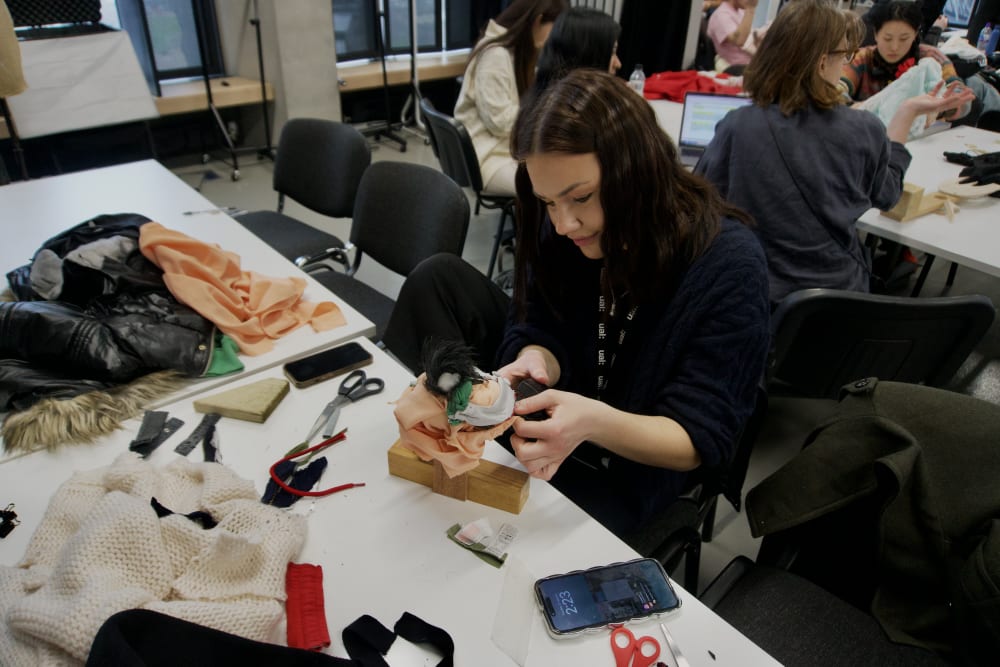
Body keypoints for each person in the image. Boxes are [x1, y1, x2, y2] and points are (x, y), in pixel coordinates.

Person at [384, 69, 770, 538]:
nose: (564, 223)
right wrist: (534, 361)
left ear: (638, 170)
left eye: (581, 197)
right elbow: (539, 320)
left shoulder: (728, 265)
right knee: (437, 279)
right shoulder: (568, 228)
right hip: (557, 420)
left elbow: (696, 437)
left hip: (628, 465)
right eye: (547, 202)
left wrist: (591, 423)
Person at [696, 0, 974, 305]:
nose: (847, 63)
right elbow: (888, 195)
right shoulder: (863, 129)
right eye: (845, 55)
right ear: (821, 62)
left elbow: (704, 201)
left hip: (749, 295)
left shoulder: (737, 126)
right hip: (832, 302)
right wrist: (905, 115)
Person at [453, 0, 568, 197]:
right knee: (553, 186)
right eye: (555, 28)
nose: (554, 37)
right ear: (538, 20)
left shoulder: (511, 51)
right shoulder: (495, 55)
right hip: (488, 159)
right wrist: (542, 112)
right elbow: (500, 123)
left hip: (499, 149)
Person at [842, 0, 968, 110]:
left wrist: (942, 108)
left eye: (904, 39)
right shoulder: (862, 59)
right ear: (875, 34)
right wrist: (864, 107)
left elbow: (962, 99)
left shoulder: (932, 59)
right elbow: (834, 92)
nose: (894, 47)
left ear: (915, 35)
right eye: (888, 38)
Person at [532, 6, 622, 94]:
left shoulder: (549, 97)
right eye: (612, 52)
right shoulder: (572, 106)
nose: (618, 64)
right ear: (587, 57)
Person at [706, 0, 762, 71]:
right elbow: (739, 41)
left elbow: (749, 38)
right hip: (739, 69)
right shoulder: (721, 15)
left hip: (752, 64)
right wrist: (750, 9)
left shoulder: (740, 12)